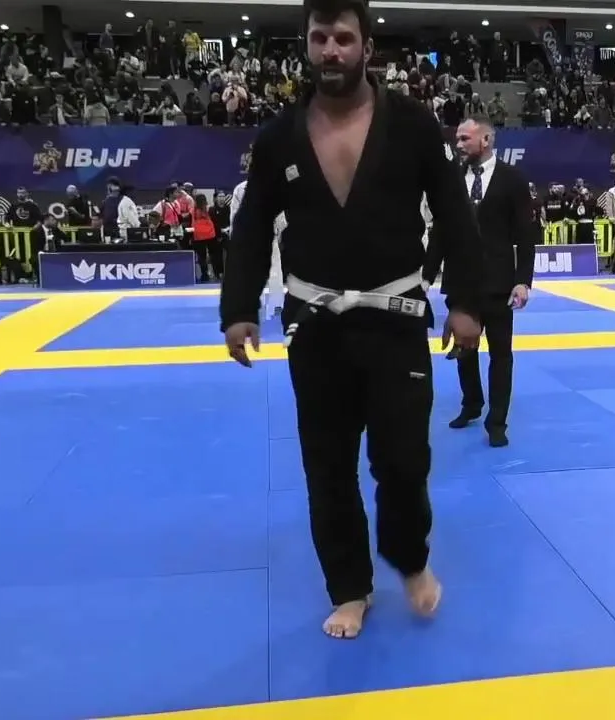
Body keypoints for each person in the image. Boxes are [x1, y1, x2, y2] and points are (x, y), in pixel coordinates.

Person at [219, 0, 484, 640]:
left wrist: (467, 302)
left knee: (404, 461)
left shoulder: (413, 124)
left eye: (343, 38)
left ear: (367, 46)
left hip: (395, 319)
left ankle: (410, 560)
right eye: (320, 38)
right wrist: (239, 308)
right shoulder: (279, 136)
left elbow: (455, 214)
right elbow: (252, 226)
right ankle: (349, 589)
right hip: (316, 325)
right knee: (328, 467)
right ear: (307, 45)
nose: (330, 50)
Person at [434, 115, 538, 448]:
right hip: (459, 281)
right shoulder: (451, 178)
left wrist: (523, 281)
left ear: (486, 140)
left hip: (499, 282)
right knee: (464, 348)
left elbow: (525, 234)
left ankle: (497, 421)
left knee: (500, 354)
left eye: (465, 138)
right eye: (457, 138)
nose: (458, 144)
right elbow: (441, 230)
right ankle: (471, 404)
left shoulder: (512, 179)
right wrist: (425, 275)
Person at [231, 178, 284, 317]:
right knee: (273, 271)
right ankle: (276, 304)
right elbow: (280, 215)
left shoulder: (240, 188)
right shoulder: (272, 187)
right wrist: (280, 231)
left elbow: (234, 216)